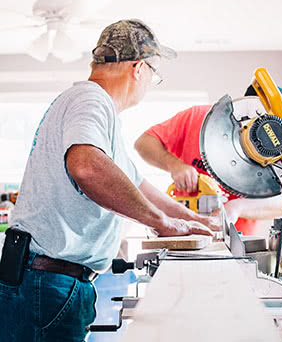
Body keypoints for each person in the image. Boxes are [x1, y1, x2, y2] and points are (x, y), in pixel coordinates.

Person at [0, 19, 220, 342]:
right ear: (138, 68)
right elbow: (86, 167)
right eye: (154, 76)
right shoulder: (91, 100)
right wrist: (160, 221)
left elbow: (139, 185)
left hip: (46, 281)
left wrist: (191, 219)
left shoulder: (97, 115)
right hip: (46, 283)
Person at [135, 103, 282, 235]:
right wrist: (174, 165)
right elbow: (144, 143)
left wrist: (236, 207)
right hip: (182, 230)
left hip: (235, 240)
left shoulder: (278, 150)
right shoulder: (198, 118)